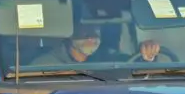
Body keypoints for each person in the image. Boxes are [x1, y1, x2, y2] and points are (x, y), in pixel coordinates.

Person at [30, 22, 161, 66]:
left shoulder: (109, 59)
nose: (92, 35)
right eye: (85, 28)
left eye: (96, 28)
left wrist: (148, 55)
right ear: (70, 32)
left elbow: (130, 68)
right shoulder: (44, 64)